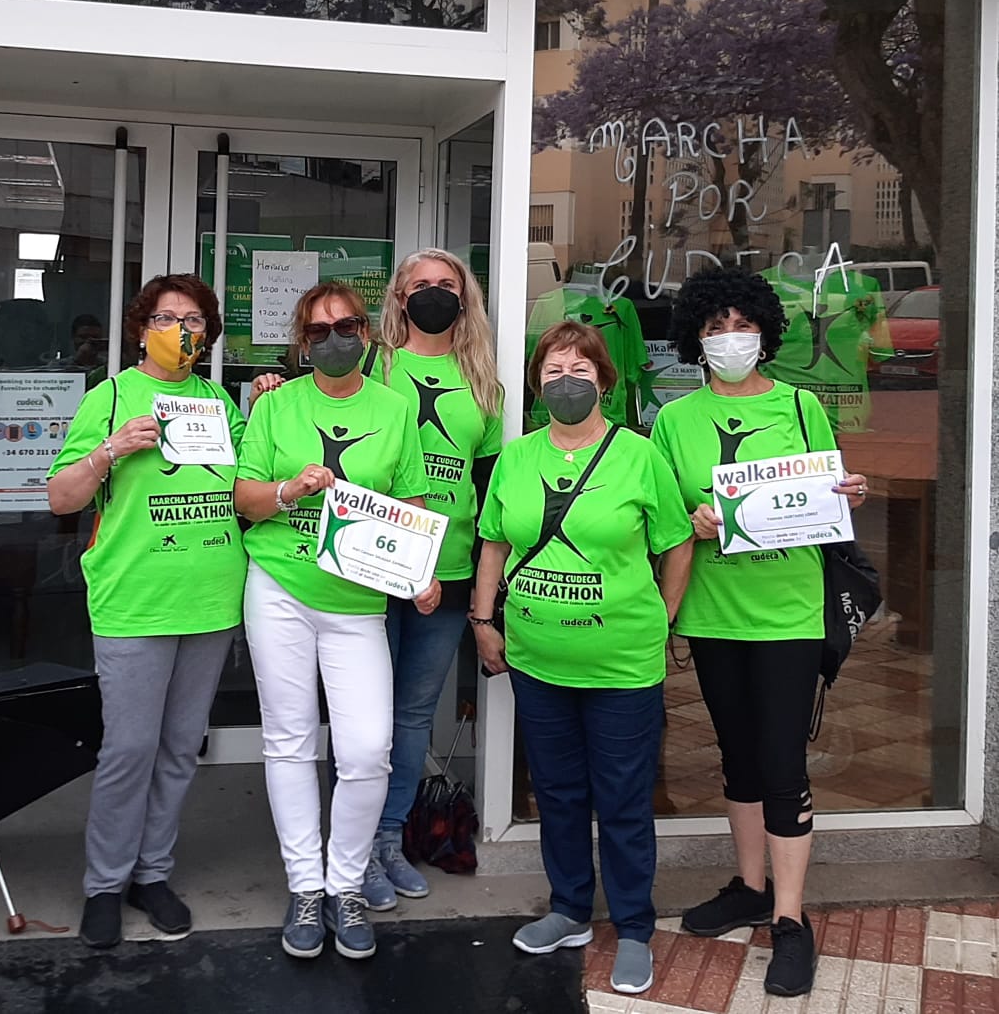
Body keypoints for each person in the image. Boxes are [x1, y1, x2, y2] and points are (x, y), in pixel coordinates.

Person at [649, 267, 869, 999]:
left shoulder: (802, 407)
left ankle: (789, 920)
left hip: (788, 612)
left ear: (764, 332)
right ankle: (748, 886)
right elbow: (662, 516)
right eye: (715, 327)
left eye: (742, 325)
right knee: (737, 757)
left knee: (781, 764)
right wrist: (690, 520)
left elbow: (830, 492)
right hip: (712, 612)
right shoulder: (674, 420)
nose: (730, 338)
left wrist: (851, 491)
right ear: (696, 337)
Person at [471, 320, 693, 998]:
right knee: (558, 793)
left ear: (605, 380)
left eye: (579, 370)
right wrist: (482, 619)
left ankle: (632, 927)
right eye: (553, 371)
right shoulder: (516, 457)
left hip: (621, 664)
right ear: (536, 384)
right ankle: (569, 909)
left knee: (623, 799)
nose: (565, 382)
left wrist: (662, 618)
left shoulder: (638, 455)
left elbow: (677, 542)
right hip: (537, 660)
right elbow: (493, 543)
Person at [234, 282, 434, 963]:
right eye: (318, 332)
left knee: (367, 749)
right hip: (280, 587)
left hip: (356, 601)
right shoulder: (274, 405)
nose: (333, 340)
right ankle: (306, 887)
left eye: (346, 326)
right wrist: (288, 490)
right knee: (290, 741)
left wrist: (420, 572)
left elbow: (410, 502)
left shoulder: (394, 408)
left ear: (366, 333)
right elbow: (245, 497)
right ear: (301, 342)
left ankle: (346, 882)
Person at [47, 275, 247, 951]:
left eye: (194, 320)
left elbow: (245, 485)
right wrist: (110, 450)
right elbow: (61, 498)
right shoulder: (109, 398)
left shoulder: (218, 402)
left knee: (179, 748)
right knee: (129, 750)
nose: (180, 331)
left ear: (208, 334)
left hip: (210, 598)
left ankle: (151, 873)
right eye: (166, 318)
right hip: (135, 601)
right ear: (141, 328)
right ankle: (104, 884)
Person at [360, 249, 504, 905]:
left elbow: (489, 488)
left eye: (447, 285)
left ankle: (390, 839)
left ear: (464, 297)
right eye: (421, 285)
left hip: (446, 571)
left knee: (413, 715)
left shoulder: (484, 383)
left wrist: (485, 592)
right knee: (364, 719)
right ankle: (354, 847)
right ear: (399, 297)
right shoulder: (373, 365)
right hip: (372, 565)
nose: (434, 294)